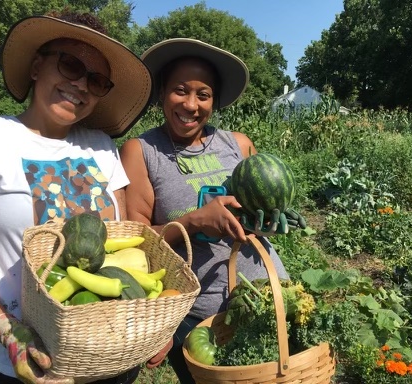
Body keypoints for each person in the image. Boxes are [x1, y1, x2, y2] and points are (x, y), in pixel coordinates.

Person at [0, 10, 170, 384]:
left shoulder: (102, 148)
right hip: (36, 366)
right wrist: (8, 332)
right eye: (70, 64)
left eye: (97, 79)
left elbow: (124, 244)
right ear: (37, 66)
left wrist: (152, 319)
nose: (82, 84)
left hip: (114, 356)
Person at [119, 38, 305, 384]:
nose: (190, 105)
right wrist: (191, 222)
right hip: (199, 318)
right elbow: (135, 243)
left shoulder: (238, 143)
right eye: (180, 90)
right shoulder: (141, 151)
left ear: (214, 101)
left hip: (269, 297)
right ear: (162, 93)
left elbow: (255, 215)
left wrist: (270, 217)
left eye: (203, 95)